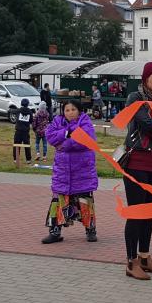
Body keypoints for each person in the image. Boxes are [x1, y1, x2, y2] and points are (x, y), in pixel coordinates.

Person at [122, 62, 152, 280]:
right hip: (137, 162)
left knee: (150, 212)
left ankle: (144, 257)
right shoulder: (136, 98)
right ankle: (131, 262)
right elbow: (146, 125)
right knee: (136, 213)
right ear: (145, 79)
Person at [42, 100, 98, 244]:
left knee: (85, 201)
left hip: (82, 172)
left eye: (73, 109)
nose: (70, 112)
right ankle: (55, 232)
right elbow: (50, 136)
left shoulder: (85, 122)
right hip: (63, 172)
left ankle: (90, 230)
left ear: (79, 110)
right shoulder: (57, 121)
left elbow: (85, 140)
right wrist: (67, 132)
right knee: (58, 201)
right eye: (67, 110)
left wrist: (64, 143)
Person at [13, 99, 33, 164]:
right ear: (28, 104)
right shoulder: (30, 112)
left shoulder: (18, 110)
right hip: (25, 131)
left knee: (16, 145)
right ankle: (28, 160)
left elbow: (13, 113)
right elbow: (31, 120)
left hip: (18, 131)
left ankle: (16, 159)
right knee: (27, 145)